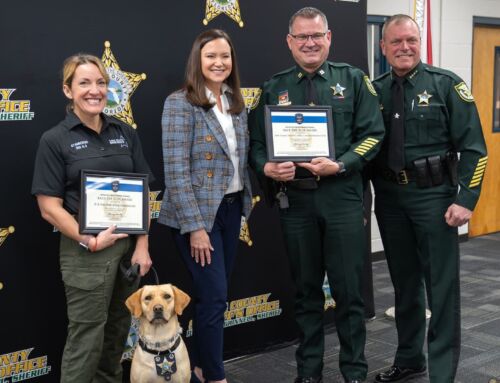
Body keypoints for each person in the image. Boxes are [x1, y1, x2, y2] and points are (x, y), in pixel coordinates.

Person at [249, 7, 385, 383]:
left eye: (316, 35)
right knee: (307, 293)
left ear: (329, 38)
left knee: (348, 293)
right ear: (289, 42)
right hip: (297, 204)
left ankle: (354, 372)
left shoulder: (354, 80)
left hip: (341, 198)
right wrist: (266, 168)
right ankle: (309, 372)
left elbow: (373, 135)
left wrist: (339, 164)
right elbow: (257, 144)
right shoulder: (274, 88)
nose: (310, 42)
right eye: (302, 37)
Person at [371, 14, 488, 383]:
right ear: (383, 46)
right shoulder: (373, 91)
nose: (405, 48)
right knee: (404, 285)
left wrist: (466, 198)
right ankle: (409, 359)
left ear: (419, 43)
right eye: (396, 42)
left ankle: (441, 372)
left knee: (441, 288)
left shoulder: (446, 85)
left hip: (434, 199)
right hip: (389, 198)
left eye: (411, 41)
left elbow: (475, 149)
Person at [31, 54, 154, 382]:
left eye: (100, 82)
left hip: (127, 249)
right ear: (68, 90)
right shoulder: (55, 139)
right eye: (84, 83)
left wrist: (142, 246)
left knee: (116, 333)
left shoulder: (124, 132)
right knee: (86, 337)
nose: (94, 90)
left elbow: (143, 196)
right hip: (84, 250)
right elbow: (49, 207)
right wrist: (88, 239)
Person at [157, 29, 252, 383]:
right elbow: (176, 171)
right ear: (197, 60)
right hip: (197, 217)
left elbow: (240, 160)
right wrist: (195, 227)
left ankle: (196, 365)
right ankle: (215, 376)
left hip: (230, 211)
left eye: (225, 56)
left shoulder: (236, 101)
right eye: (210, 56)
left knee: (214, 298)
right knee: (213, 299)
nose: (218, 63)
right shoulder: (180, 103)